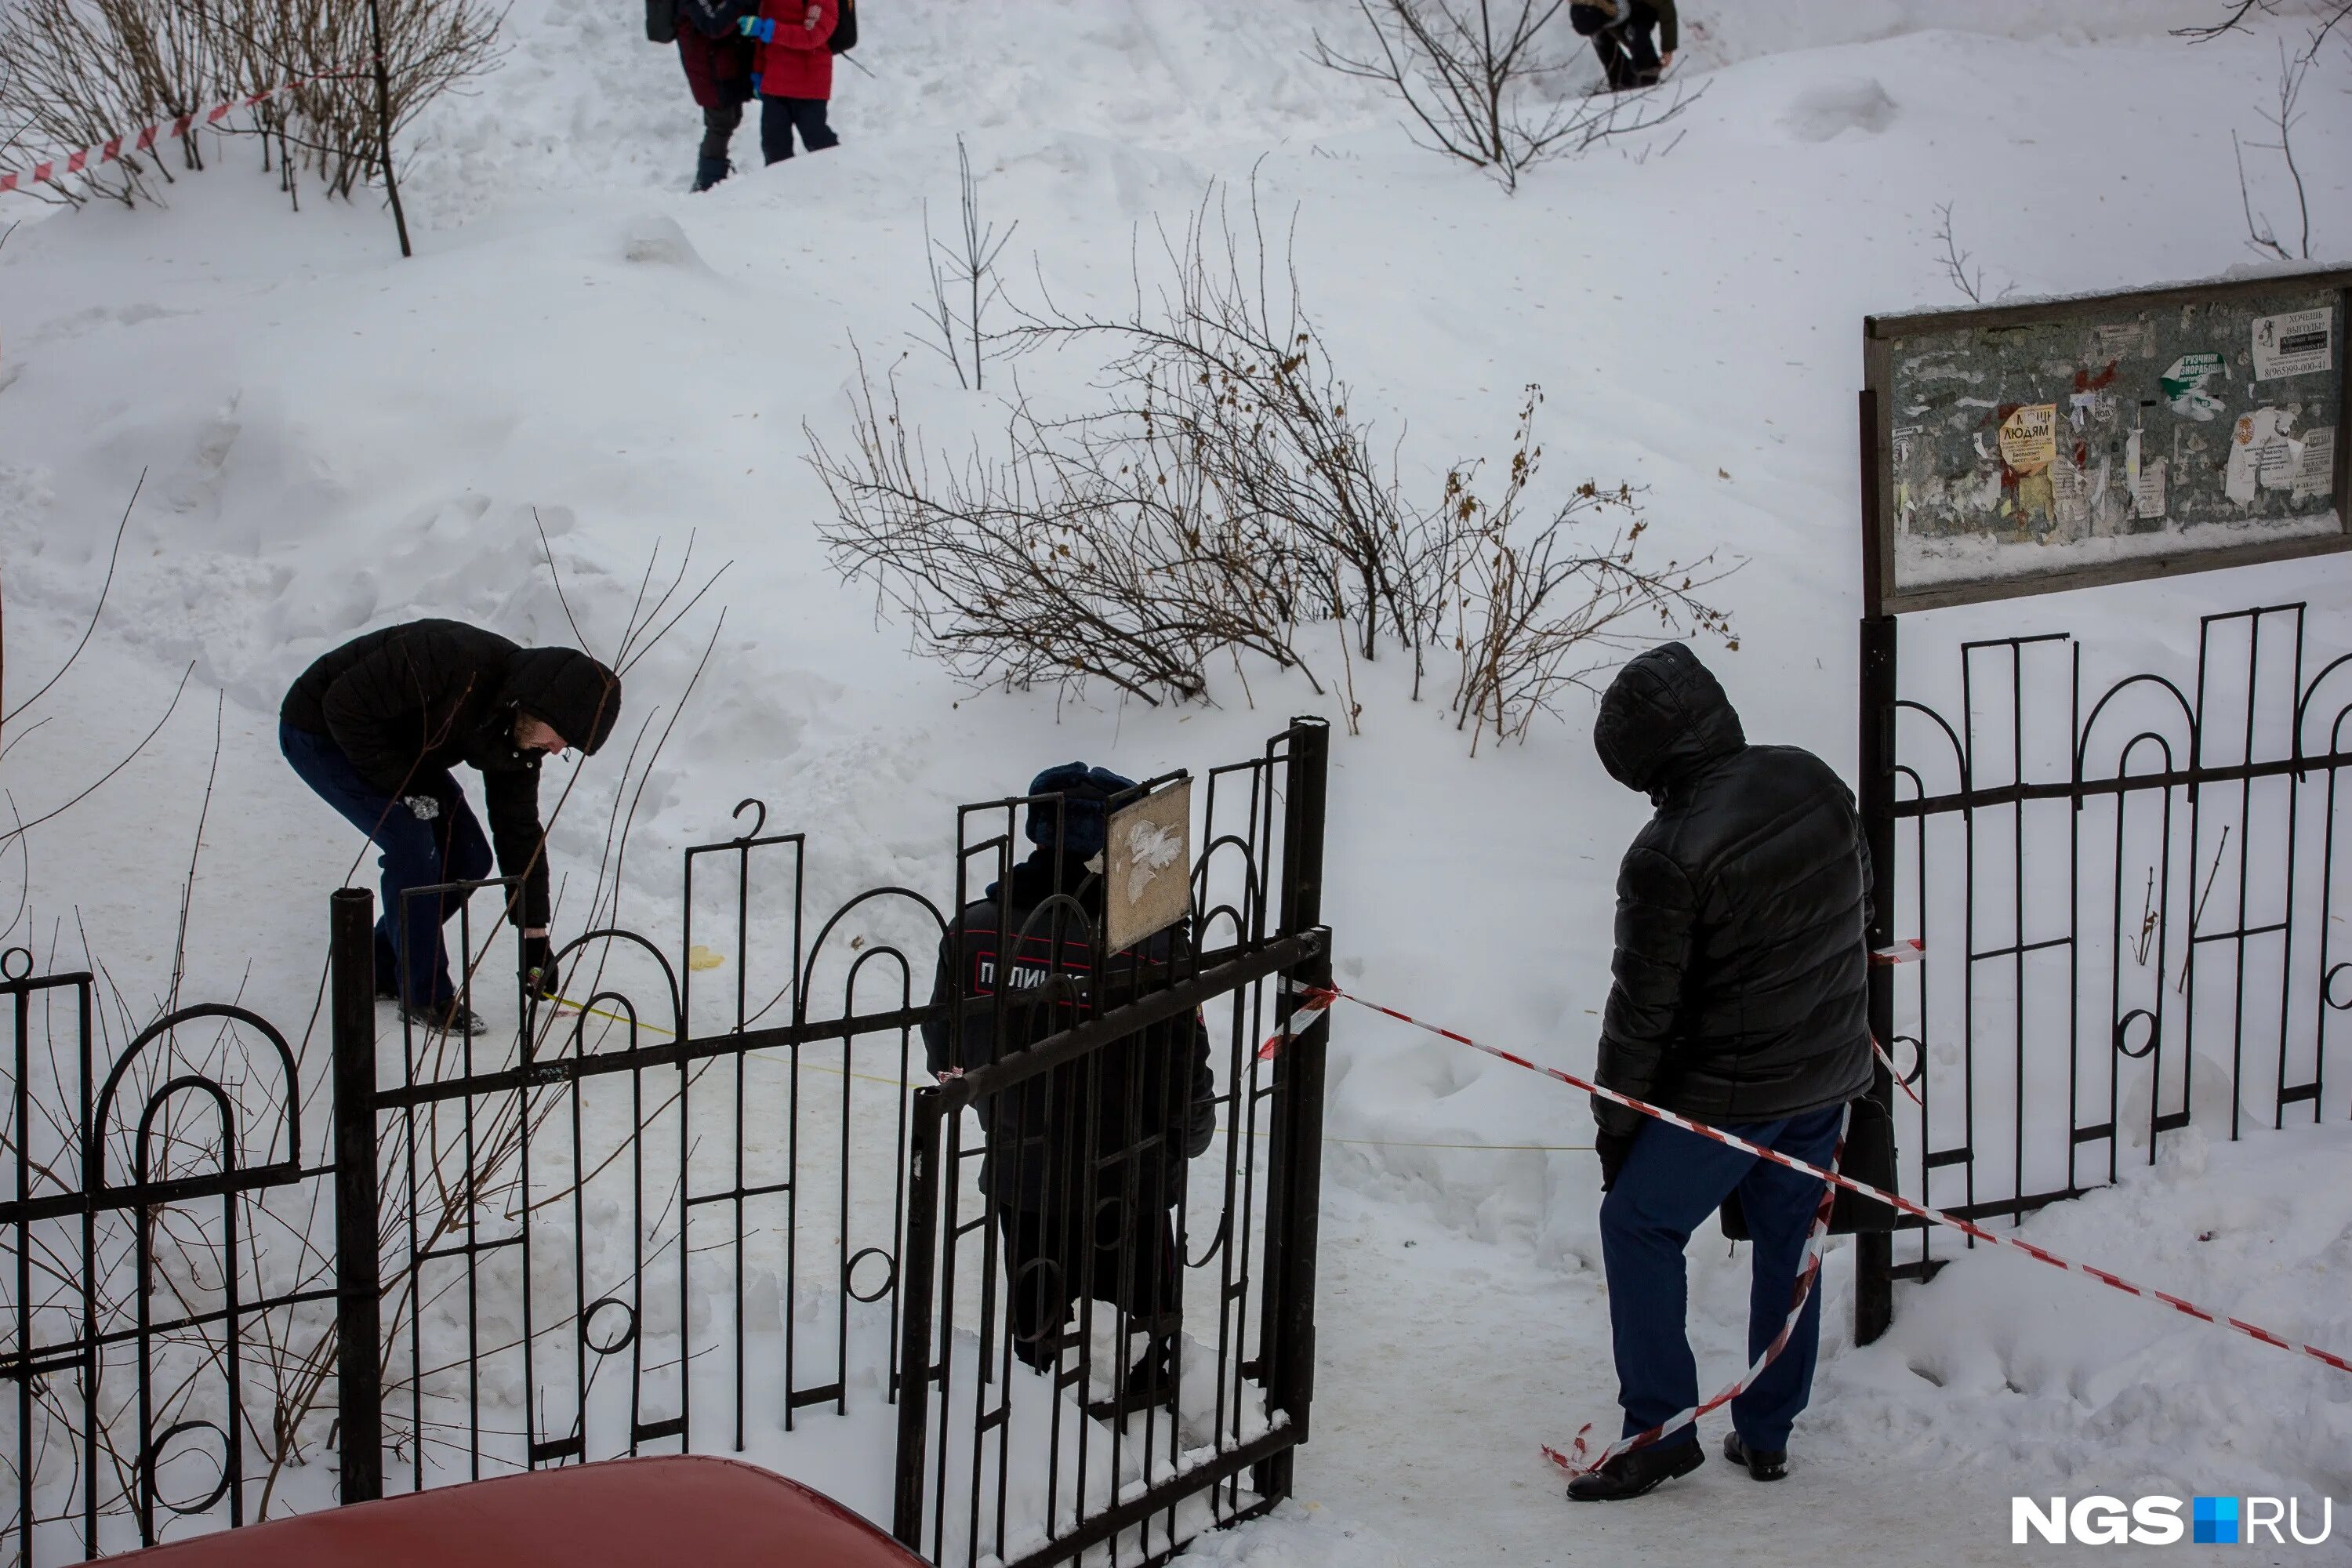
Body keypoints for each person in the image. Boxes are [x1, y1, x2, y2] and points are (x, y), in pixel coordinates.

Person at [1567, 642, 1871, 1502]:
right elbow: (1861, 901)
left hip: (1730, 1097)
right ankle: (1768, 1431)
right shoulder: (1810, 777)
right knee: (1790, 1243)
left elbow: (1642, 1013)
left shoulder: (1666, 855)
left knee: (1638, 1223)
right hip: (1825, 1074)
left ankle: (1660, 1428)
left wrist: (1617, 1124)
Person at [921, 763, 1217, 1415]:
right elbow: (1184, 1073)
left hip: (1025, 1174)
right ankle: (1139, 1443)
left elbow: (946, 1054)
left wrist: (1001, 1110)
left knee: (1041, 1339)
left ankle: (1039, 1446)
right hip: (1132, 1179)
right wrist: (1191, 1136)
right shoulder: (1152, 944)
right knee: (1141, 1343)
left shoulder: (975, 930)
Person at [280, 619, 622, 1036]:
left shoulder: (519, 735)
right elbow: (343, 705)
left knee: (469, 857)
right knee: (413, 847)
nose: (556, 749)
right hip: (324, 730)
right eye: (563, 737)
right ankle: (425, 995)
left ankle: (374, 966)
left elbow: (518, 829)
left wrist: (534, 935)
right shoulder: (450, 660)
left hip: (403, 748)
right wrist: (407, 790)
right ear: (544, 706)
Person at [648, 0, 760, 192]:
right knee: (720, 123)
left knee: (730, 118)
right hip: (708, 69)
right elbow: (713, 24)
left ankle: (711, 176)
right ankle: (708, 182)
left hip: (722, 64)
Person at [746, 0, 841, 165]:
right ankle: (778, 183)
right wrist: (759, 71)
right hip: (774, 81)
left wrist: (769, 30)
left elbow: (812, 35)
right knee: (774, 149)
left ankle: (843, 174)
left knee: (817, 141)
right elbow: (763, 40)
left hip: (808, 82)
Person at [1570, 0, 1678, 93]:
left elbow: (1666, 7)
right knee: (1600, 39)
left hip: (1641, 9)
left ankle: (1648, 77)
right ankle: (1621, 82)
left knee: (1636, 35)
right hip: (1608, 13)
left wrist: (1668, 49)